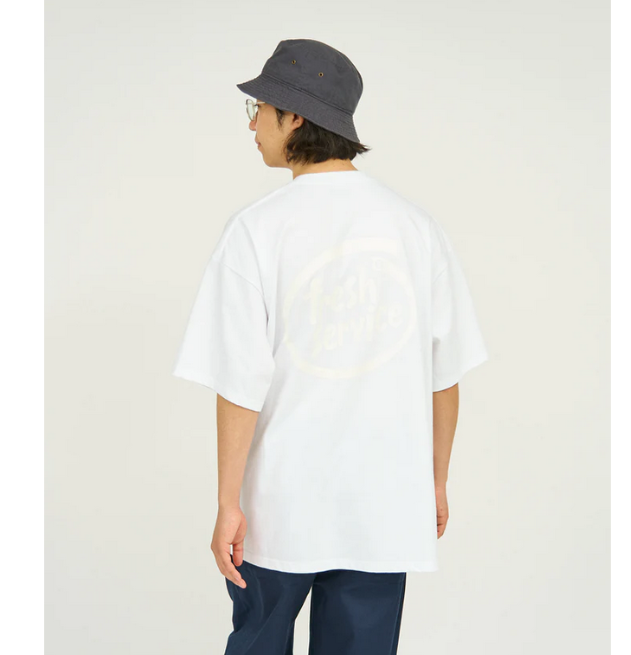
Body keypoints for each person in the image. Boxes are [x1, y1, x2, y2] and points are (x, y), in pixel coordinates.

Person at [173, 38, 488, 655]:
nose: (252, 126)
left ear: (293, 117)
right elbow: (444, 374)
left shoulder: (257, 230)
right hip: (383, 503)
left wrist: (228, 503)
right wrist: (435, 481)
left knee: (258, 643)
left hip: (279, 506)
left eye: (259, 110)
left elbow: (239, 382)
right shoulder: (416, 228)